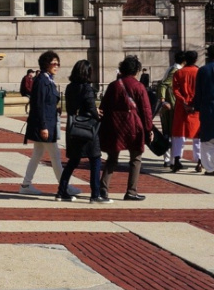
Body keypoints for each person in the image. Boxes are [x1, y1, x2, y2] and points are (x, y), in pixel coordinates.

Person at [18, 51, 80, 197]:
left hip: (48, 122)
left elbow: (46, 102)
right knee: (55, 155)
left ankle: (26, 184)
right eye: (54, 63)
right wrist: (43, 126)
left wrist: (55, 108)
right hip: (45, 125)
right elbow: (38, 105)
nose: (56, 66)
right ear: (46, 64)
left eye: (58, 63)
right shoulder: (41, 81)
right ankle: (64, 186)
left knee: (37, 154)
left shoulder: (48, 80)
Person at [99, 54, 153, 201]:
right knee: (135, 158)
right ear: (136, 70)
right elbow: (146, 110)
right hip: (134, 125)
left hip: (115, 124)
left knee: (112, 158)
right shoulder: (139, 86)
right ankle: (131, 191)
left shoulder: (113, 85)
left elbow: (103, 107)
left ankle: (103, 189)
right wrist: (149, 129)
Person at [56, 60, 108, 203]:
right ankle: (95, 194)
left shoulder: (70, 87)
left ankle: (61, 192)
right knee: (95, 159)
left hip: (73, 126)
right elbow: (91, 107)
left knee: (73, 161)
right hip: (87, 127)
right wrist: (98, 114)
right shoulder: (87, 88)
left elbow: (73, 107)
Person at [171, 50, 201, 173]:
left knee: (179, 134)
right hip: (196, 107)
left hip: (181, 107)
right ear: (195, 59)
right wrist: (194, 103)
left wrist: (183, 101)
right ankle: (199, 161)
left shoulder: (178, 73)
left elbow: (175, 90)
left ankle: (177, 160)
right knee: (197, 135)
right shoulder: (199, 72)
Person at [157, 51, 185, 167]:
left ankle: (168, 159)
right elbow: (163, 84)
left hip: (169, 106)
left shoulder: (171, 68)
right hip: (171, 106)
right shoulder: (176, 70)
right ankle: (171, 159)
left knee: (168, 133)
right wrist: (163, 100)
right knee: (173, 133)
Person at [194, 44, 214, 175]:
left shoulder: (203, 70)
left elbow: (198, 92)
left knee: (207, 140)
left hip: (208, 107)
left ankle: (210, 168)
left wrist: (196, 106)